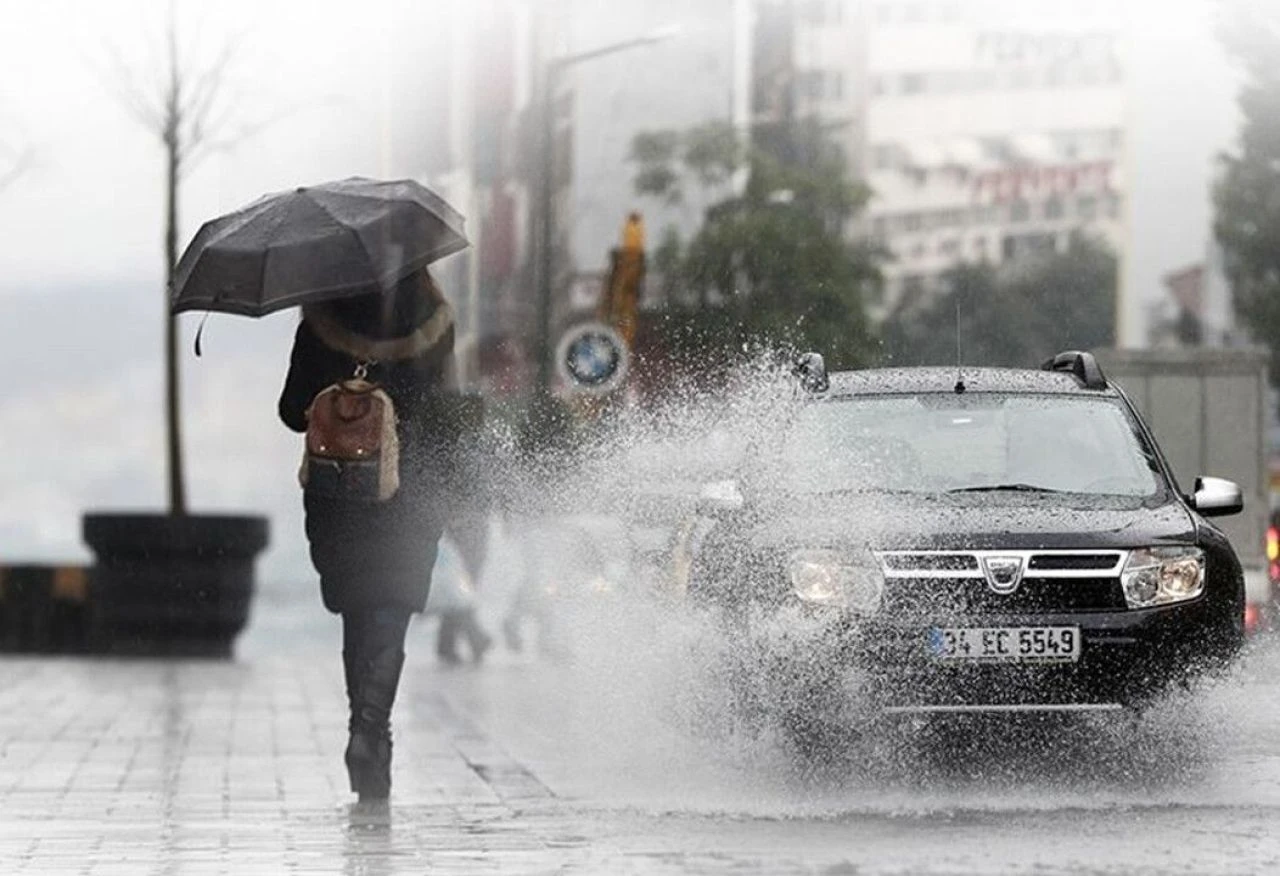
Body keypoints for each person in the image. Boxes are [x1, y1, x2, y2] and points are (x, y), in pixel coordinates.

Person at [277, 267, 461, 802]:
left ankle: (365, 730)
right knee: (390, 610)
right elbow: (446, 413)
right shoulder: (434, 322)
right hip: (412, 489)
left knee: (359, 612)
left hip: (339, 496)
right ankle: (370, 733)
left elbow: (292, 411)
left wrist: (339, 395)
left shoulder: (320, 322)